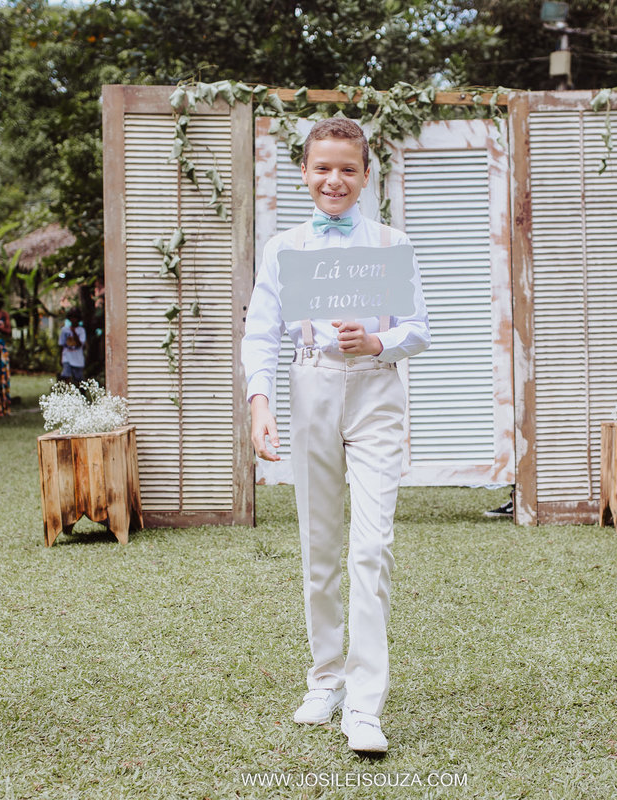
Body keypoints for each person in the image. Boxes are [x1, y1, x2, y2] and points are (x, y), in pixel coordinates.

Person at [241, 118, 430, 754]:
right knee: (320, 544)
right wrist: (259, 402)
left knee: (371, 548)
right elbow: (262, 332)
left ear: (366, 175)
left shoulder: (392, 244)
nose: (334, 179)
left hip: (377, 392)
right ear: (304, 171)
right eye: (323, 167)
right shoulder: (285, 248)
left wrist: (379, 340)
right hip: (311, 387)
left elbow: (419, 330)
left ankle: (365, 705)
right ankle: (325, 678)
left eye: (348, 168)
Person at [59, 308, 87, 382]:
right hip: (67, 357)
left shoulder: (81, 330)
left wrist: (74, 332)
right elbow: (61, 345)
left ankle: (80, 392)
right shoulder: (64, 330)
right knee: (66, 375)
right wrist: (61, 358)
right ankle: (66, 392)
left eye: (75, 317)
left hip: (77, 358)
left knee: (78, 379)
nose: (73, 319)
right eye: (71, 317)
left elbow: (79, 344)